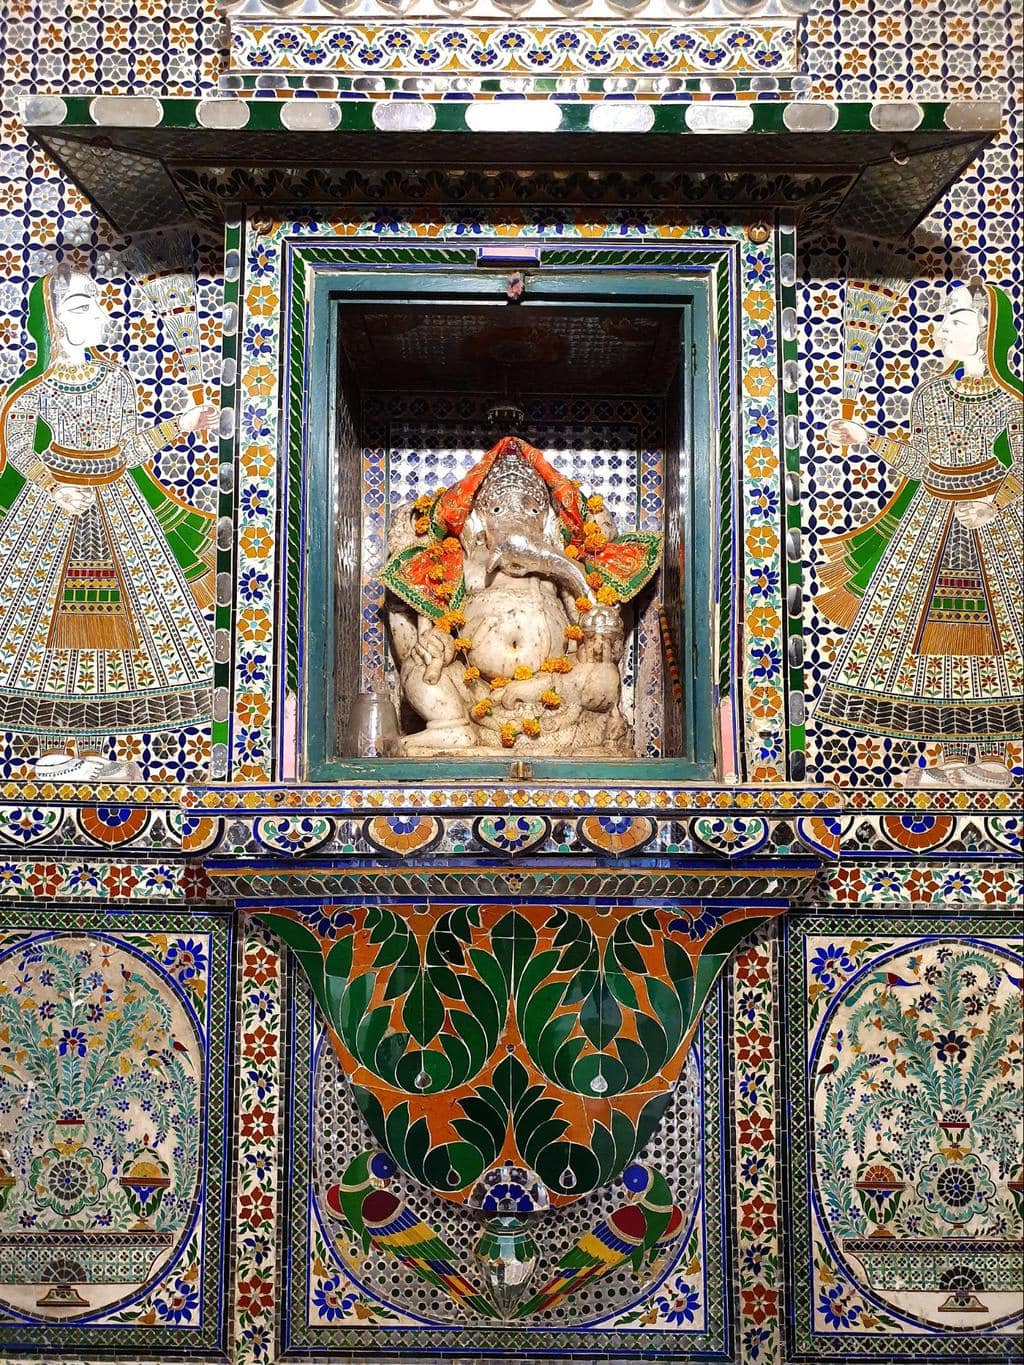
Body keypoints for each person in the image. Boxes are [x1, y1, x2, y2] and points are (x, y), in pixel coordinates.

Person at [0, 264, 216, 774]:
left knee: (113, 625)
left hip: (116, 507)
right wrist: (54, 488)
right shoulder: (39, 392)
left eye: (97, 304)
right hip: (57, 511)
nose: (97, 315)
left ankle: (96, 747)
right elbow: (17, 448)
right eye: (80, 307)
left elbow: (129, 449)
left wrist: (180, 426)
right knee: (48, 625)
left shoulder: (117, 379)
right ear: (53, 321)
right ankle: (51, 750)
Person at [815, 280, 1022, 788]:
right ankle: (952, 751)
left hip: (987, 519)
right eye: (944, 319)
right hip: (932, 517)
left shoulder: (1010, 398)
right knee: (935, 635)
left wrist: (995, 503)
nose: (945, 328)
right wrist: (867, 438)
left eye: (959, 319)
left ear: (987, 329)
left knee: (992, 637)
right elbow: (920, 462)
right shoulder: (929, 393)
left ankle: (993, 757)